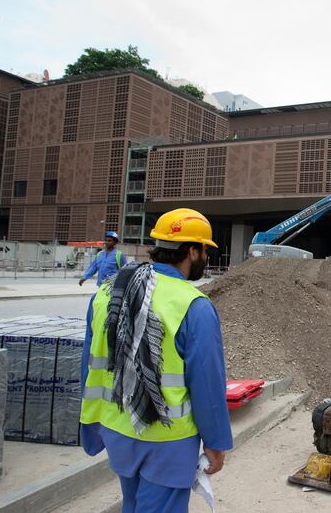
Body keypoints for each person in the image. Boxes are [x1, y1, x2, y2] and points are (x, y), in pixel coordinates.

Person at [79, 208, 232, 512]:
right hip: (167, 441)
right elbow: (207, 385)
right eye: (205, 250)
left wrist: (92, 425)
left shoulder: (107, 293)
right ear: (192, 251)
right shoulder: (194, 306)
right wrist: (216, 444)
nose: (206, 258)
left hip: (117, 429)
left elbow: (89, 364)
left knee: (133, 505)